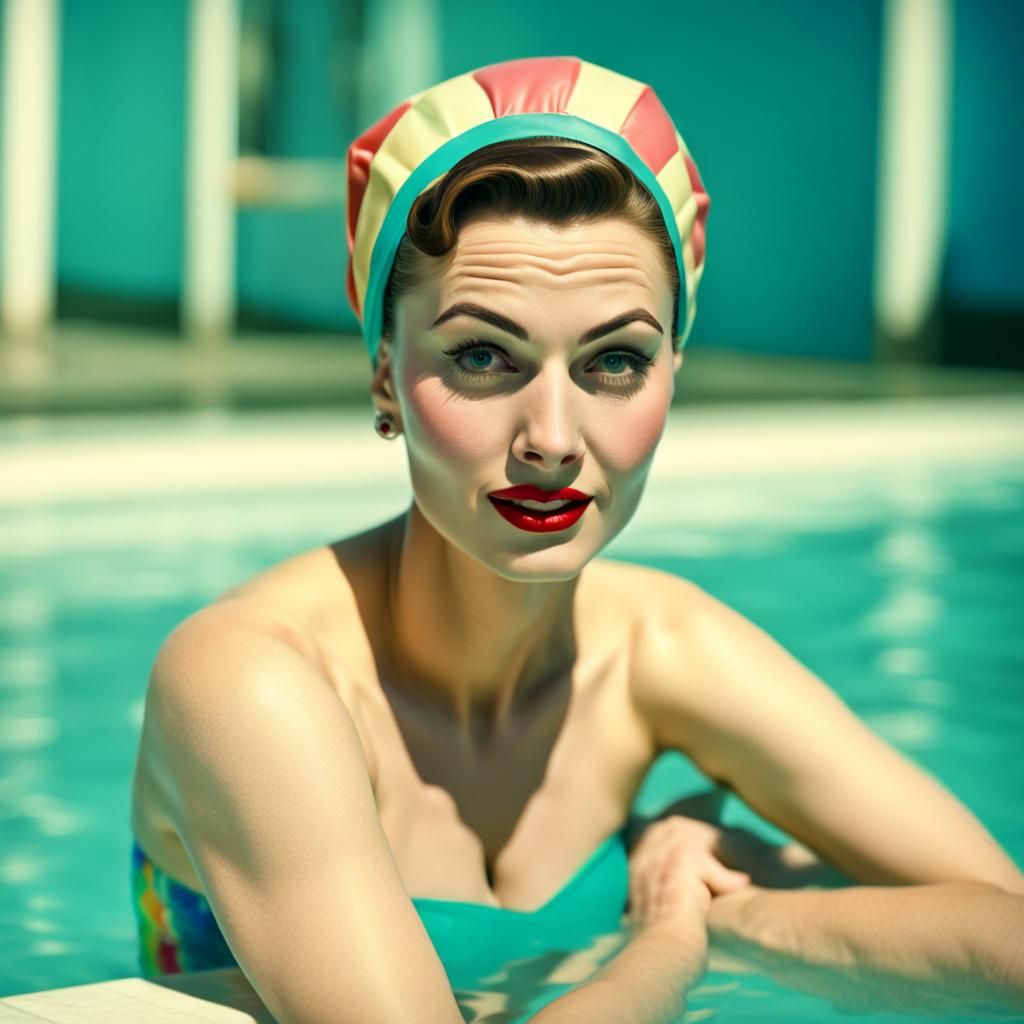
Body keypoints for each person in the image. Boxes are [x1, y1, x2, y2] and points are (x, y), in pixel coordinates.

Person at [129, 56, 1024, 1024]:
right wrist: (671, 946)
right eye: (482, 355)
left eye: (615, 360)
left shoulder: (658, 648)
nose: (552, 439)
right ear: (384, 373)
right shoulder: (250, 682)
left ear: (671, 371)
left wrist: (751, 915)